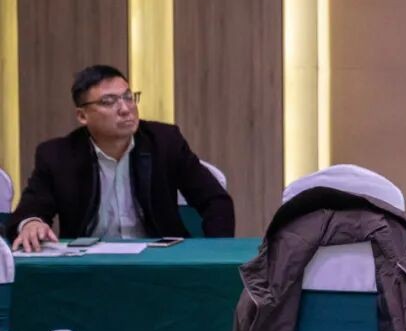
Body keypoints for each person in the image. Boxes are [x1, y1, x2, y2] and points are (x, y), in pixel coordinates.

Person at [6, 65, 235, 251]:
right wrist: (31, 223)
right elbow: (30, 210)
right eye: (109, 102)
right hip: (88, 268)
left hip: (158, 262)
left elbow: (215, 200)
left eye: (128, 97)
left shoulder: (164, 142)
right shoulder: (57, 156)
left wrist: (215, 250)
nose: (125, 109)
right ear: (82, 116)